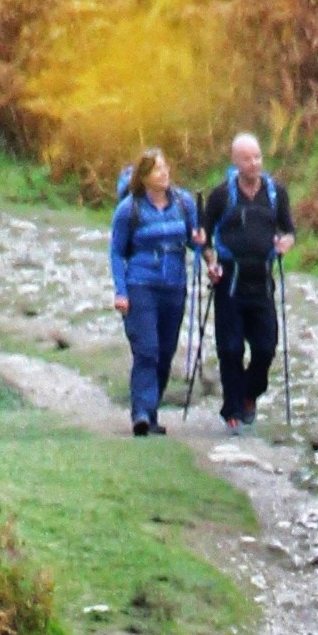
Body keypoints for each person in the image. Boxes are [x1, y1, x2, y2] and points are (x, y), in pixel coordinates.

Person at [199, 128, 294, 429]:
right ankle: (232, 411)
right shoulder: (221, 195)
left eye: (257, 157)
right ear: (235, 162)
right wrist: (211, 264)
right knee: (230, 349)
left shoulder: (276, 193)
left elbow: (289, 229)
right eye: (247, 159)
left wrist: (285, 243)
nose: (254, 163)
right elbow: (204, 238)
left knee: (266, 347)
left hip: (262, 280)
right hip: (230, 280)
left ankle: (250, 394)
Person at [108, 146, 200, 432]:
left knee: (165, 351)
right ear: (145, 176)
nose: (165, 173)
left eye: (165, 168)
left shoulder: (184, 204)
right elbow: (116, 252)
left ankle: (152, 411)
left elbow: (195, 240)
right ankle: (142, 414)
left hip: (174, 286)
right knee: (146, 349)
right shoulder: (129, 210)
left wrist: (202, 247)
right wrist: (121, 292)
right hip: (141, 284)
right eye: (158, 169)